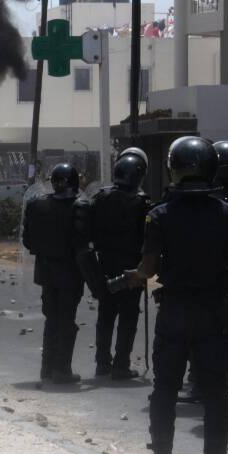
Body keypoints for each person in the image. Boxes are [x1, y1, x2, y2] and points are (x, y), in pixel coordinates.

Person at [114, 137, 228, 454]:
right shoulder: (227, 214)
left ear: (173, 168)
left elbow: (148, 269)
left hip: (174, 316)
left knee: (164, 392)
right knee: (216, 396)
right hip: (215, 316)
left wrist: (132, 276)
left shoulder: (158, 215)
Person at [78, 148, 151, 379]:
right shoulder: (143, 203)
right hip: (131, 268)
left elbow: (87, 234)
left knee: (106, 314)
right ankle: (121, 364)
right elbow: (148, 239)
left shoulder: (100, 198)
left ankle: (102, 363)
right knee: (128, 316)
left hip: (105, 263)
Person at [23, 163, 85, 384]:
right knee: (66, 321)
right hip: (69, 275)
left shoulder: (36, 206)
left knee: (52, 320)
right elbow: (83, 248)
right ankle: (62, 369)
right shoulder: (78, 207)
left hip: (46, 274)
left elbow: (28, 242)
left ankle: (47, 368)